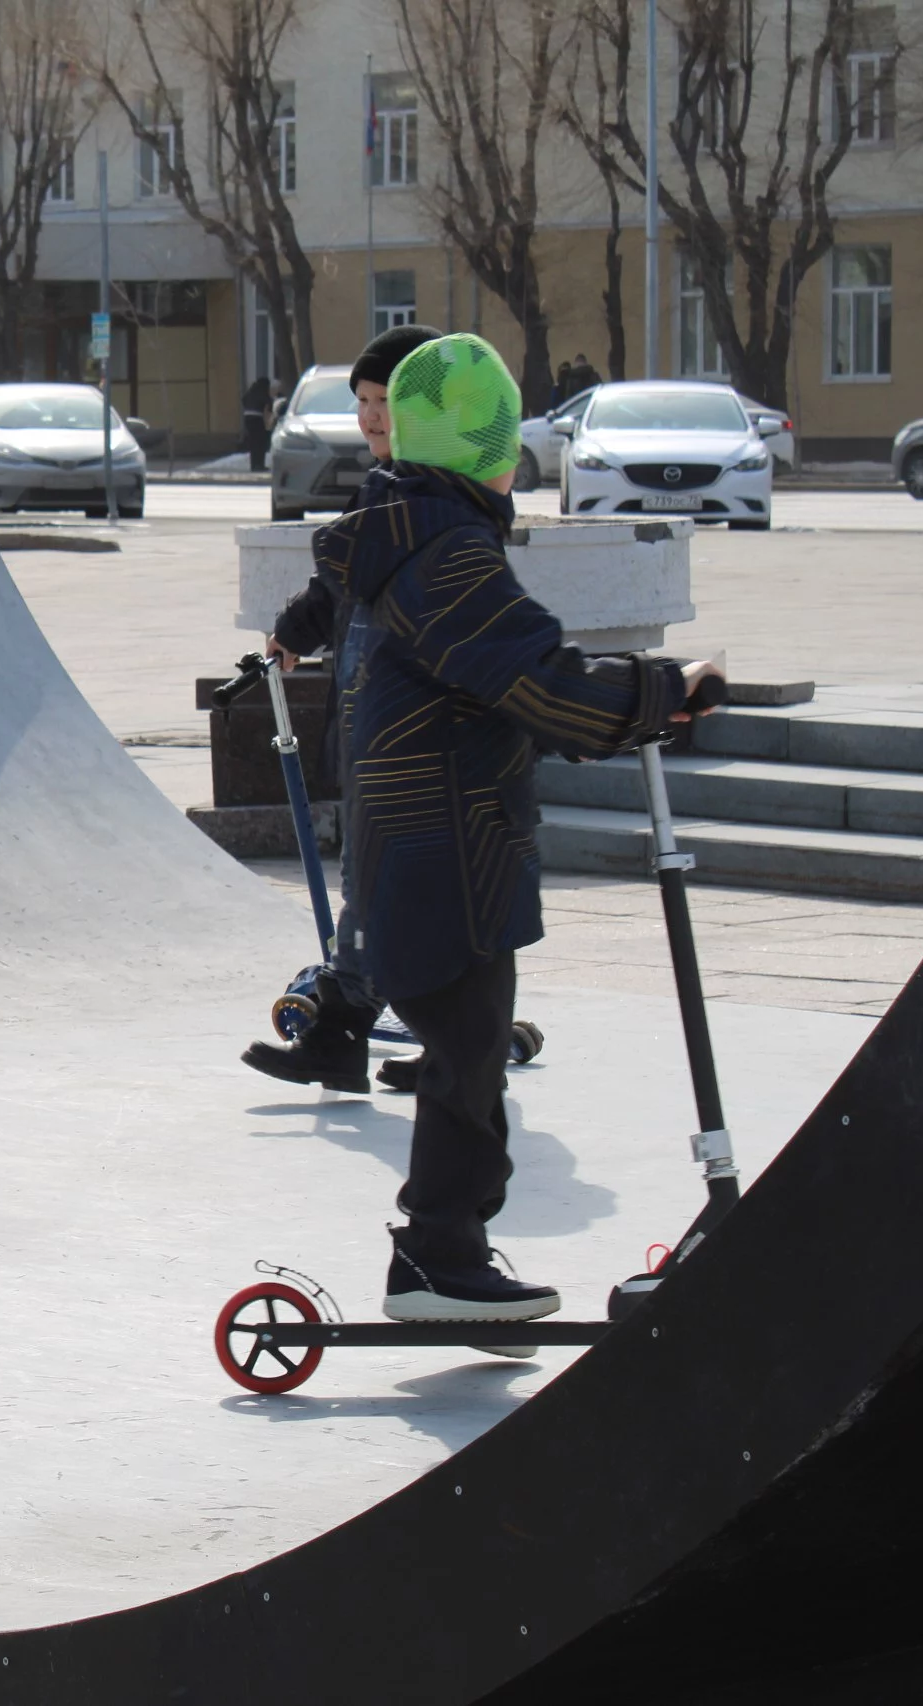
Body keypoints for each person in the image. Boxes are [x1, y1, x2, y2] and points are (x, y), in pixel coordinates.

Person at [261, 333, 720, 1324]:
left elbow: (494, 686)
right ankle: (437, 1255)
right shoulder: (445, 548)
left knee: (465, 1058)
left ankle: (447, 1245)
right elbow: (530, 675)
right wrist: (653, 693)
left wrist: (619, 702)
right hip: (446, 847)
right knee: (465, 1059)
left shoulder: (406, 531)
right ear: (494, 453)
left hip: (429, 833)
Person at [241, 321, 442, 1093]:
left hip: (414, 731)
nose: (371, 417)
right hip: (373, 720)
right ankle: (363, 1038)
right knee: (378, 889)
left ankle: (428, 1043)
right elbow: (339, 585)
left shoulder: (432, 494)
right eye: (361, 401)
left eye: (386, 400)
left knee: (399, 896)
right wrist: (295, 633)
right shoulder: (386, 489)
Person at [243, 373, 275, 473]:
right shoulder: (263, 392)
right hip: (257, 417)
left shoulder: (251, 391)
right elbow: (269, 404)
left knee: (253, 442)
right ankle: (260, 464)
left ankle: (253, 465)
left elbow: (243, 399)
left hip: (247, 417)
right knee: (260, 442)